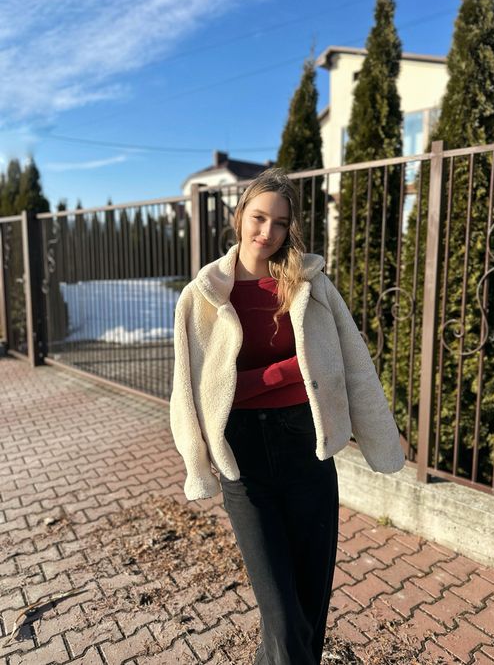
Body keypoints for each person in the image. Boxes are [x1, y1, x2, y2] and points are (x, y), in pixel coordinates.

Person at [169, 167, 405, 665]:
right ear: (239, 216)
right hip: (244, 462)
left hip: (306, 451)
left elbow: (352, 365)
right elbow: (194, 391)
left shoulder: (310, 286)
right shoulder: (202, 294)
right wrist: (289, 371)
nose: (267, 232)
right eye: (259, 217)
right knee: (282, 615)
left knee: (310, 607)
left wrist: (380, 439)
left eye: (280, 222)